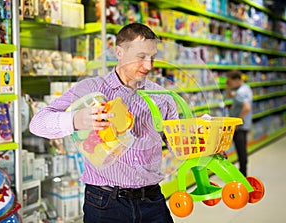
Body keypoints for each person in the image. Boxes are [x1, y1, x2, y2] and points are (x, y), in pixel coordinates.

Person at [29, 23, 178, 223]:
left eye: (152, 57)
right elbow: (37, 123)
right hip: (105, 202)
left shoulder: (162, 96)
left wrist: (204, 137)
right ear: (119, 52)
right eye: (141, 57)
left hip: (152, 200)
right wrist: (75, 119)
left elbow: (177, 144)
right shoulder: (90, 88)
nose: (149, 66)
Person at [225, 70, 253, 177]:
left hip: (239, 127)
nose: (229, 83)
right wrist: (228, 86)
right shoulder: (245, 88)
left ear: (236, 80)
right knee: (241, 150)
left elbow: (247, 107)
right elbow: (232, 95)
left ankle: (243, 175)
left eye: (230, 81)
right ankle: (242, 173)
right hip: (244, 125)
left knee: (241, 151)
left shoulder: (240, 92)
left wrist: (238, 121)